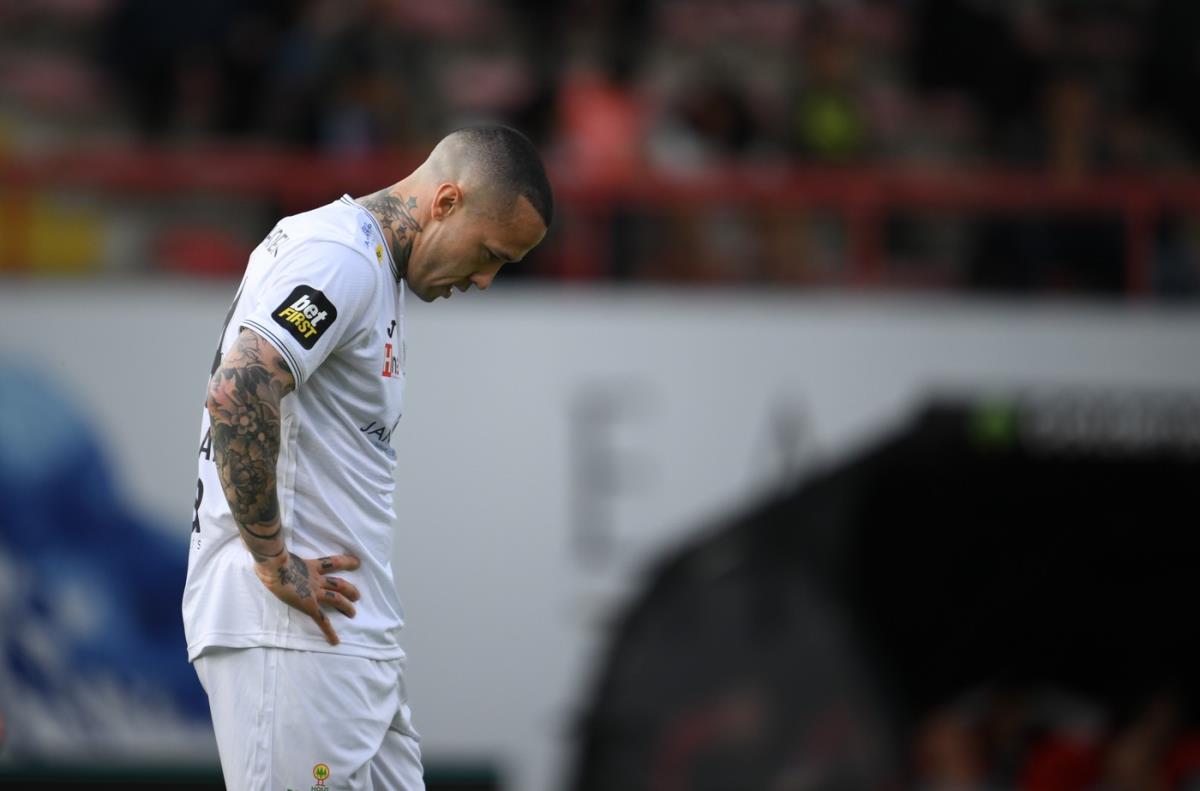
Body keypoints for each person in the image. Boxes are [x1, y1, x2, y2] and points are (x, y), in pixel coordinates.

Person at [182, 125, 552, 790]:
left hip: (348, 640)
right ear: (446, 202)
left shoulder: (366, 264)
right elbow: (240, 389)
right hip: (292, 636)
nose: (486, 279)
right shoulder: (341, 259)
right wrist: (272, 560)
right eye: (490, 254)